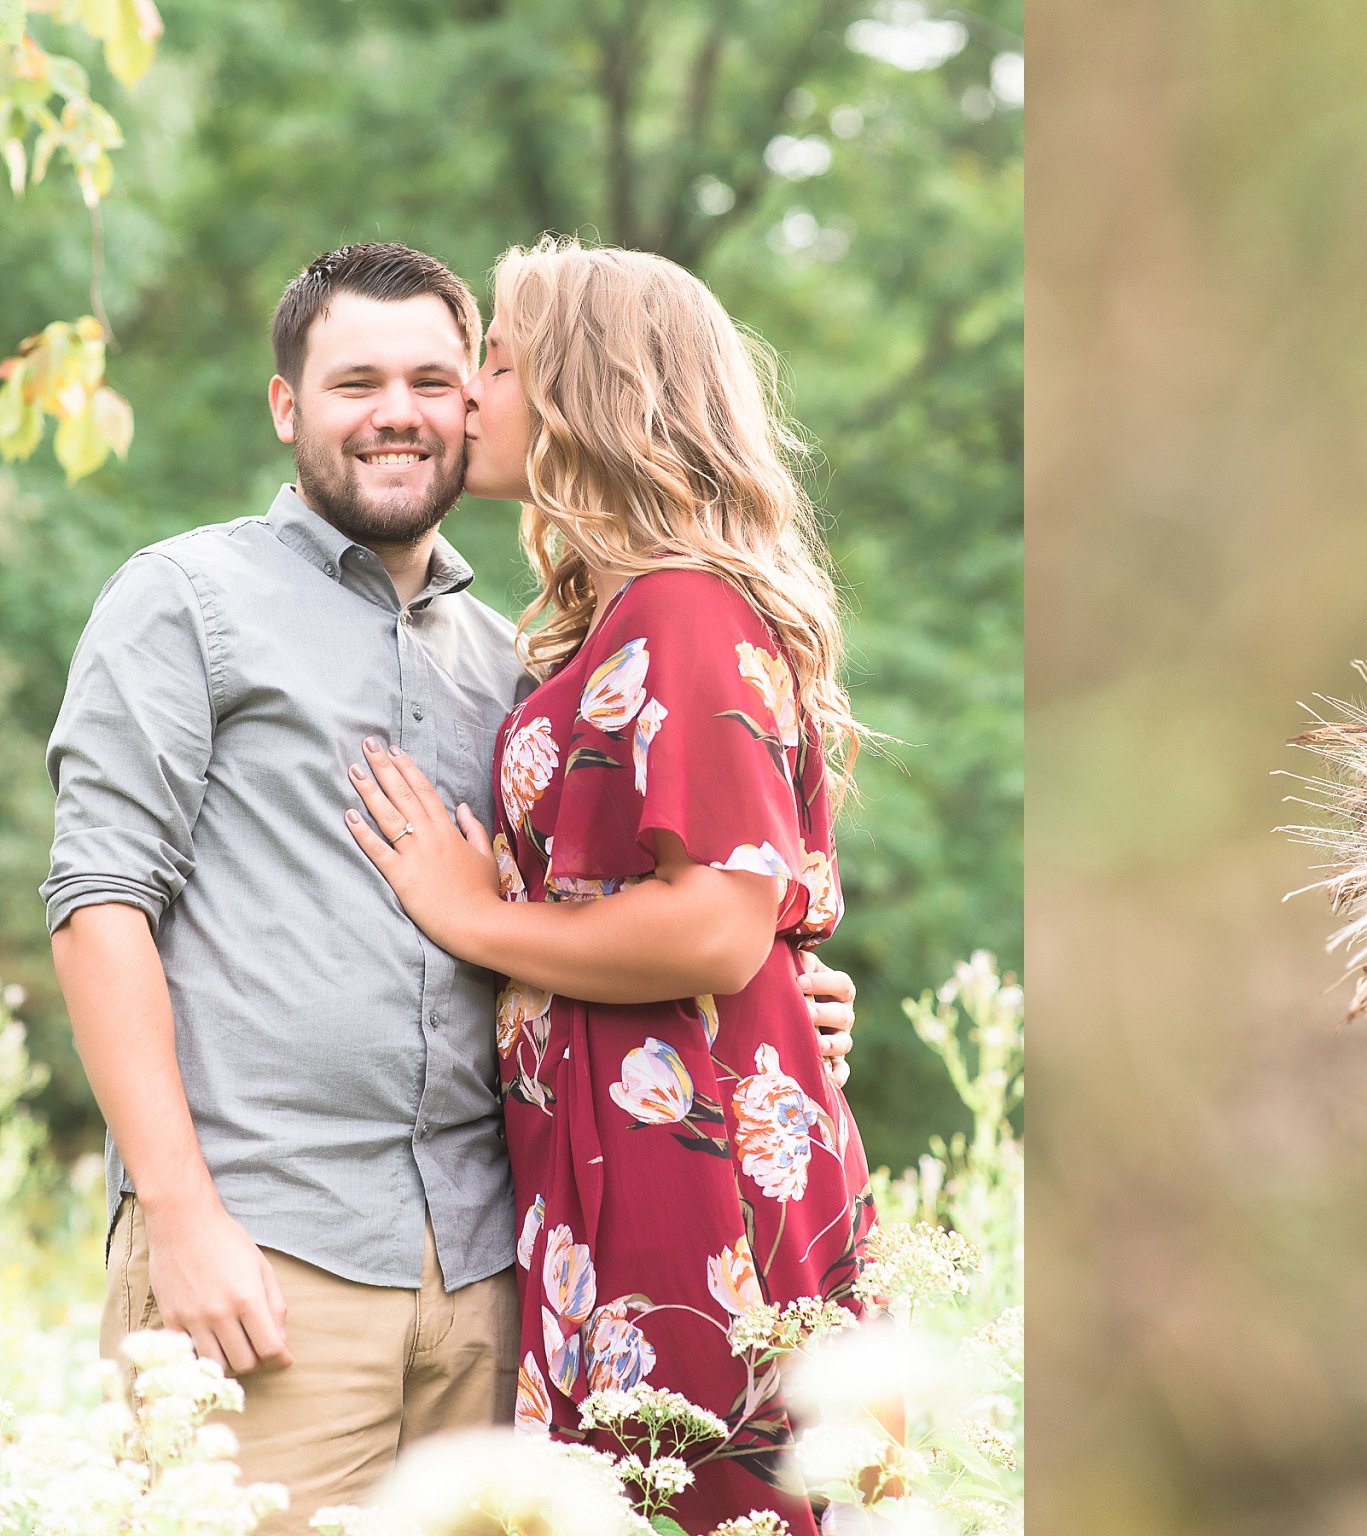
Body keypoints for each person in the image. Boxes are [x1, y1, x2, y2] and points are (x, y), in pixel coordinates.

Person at [41, 242, 855, 1533]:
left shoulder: (521, 663)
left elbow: (675, 898)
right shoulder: (186, 602)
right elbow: (98, 909)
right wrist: (182, 1220)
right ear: (284, 407)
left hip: (498, 1279)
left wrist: (763, 994)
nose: (405, 410)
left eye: (445, 374)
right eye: (356, 380)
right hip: (272, 1258)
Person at [339, 237, 875, 1533]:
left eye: (501, 364)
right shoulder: (627, 617)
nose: (468, 396)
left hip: (686, 1195)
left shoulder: (683, 609)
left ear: (591, 393)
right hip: (622, 1168)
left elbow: (713, 922)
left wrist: (474, 917)